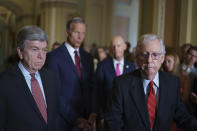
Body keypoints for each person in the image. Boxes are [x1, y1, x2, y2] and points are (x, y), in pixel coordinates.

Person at [105, 34, 197, 131]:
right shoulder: (121, 84)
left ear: (162, 58)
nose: (149, 60)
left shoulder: (172, 83)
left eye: (155, 55)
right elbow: (113, 122)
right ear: (137, 57)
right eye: (144, 54)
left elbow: (183, 117)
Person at [0, 26, 59, 131]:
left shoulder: (51, 78)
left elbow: (54, 117)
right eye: (35, 49)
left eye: (44, 50)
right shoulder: (4, 82)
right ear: (20, 52)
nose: (41, 56)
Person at [45, 17, 96, 131]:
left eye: (83, 33)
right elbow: (54, 94)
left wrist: (92, 113)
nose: (80, 37)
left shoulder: (88, 58)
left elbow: (92, 88)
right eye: (76, 32)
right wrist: (75, 119)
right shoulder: (53, 57)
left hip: (87, 122)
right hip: (64, 122)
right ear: (67, 32)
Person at [96, 36, 135, 130]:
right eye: (113, 46)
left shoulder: (131, 67)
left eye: (118, 45)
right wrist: (101, 117)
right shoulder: (102, 66)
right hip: (108, 116)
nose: (116, 49)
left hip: (126, 118)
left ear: (125, 47)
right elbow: (98, 93)